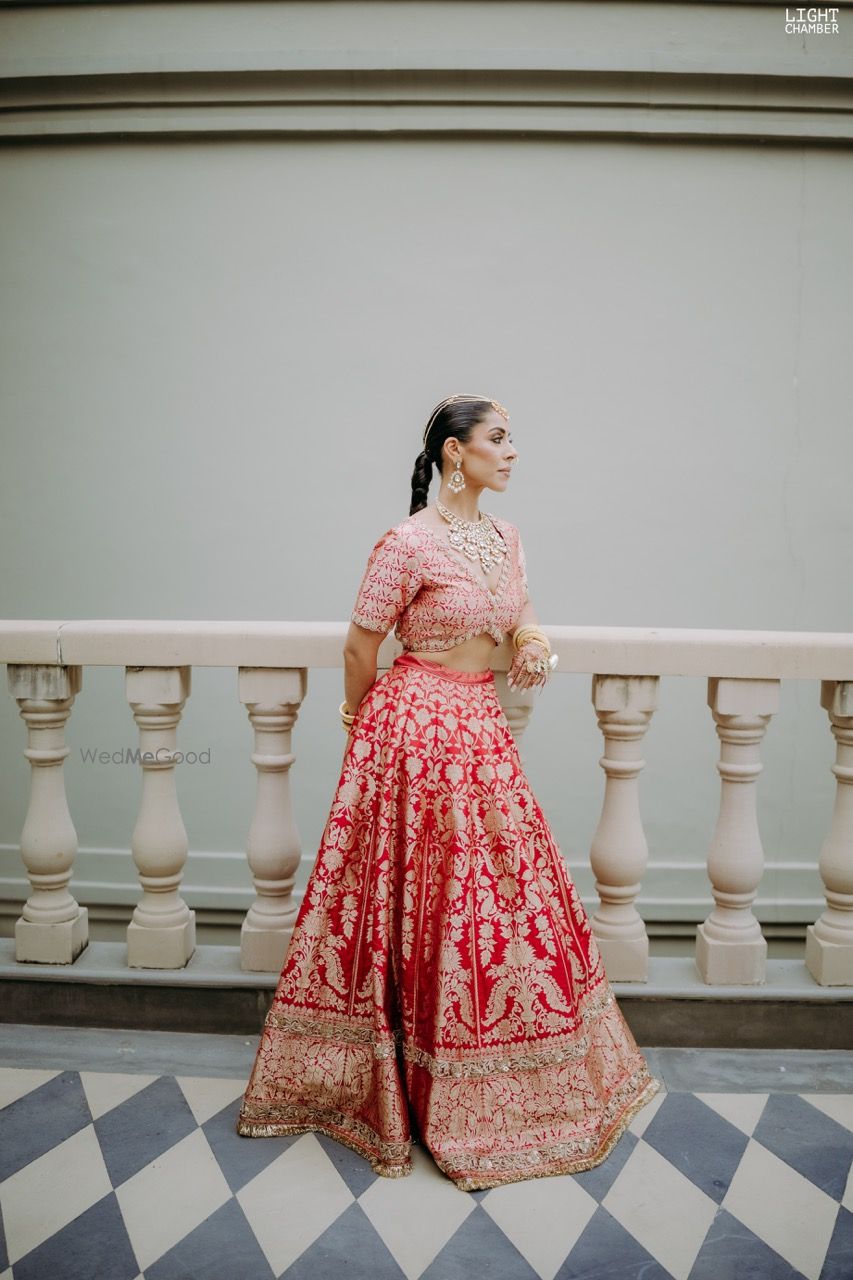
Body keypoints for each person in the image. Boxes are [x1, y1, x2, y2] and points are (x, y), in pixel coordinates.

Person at [236, 393, 661, 1191]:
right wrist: (362, 727)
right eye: (498, 440)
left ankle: (497, 1076)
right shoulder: (405, 543)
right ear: (453, 453)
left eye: (512, 439)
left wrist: (531, 637)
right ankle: (398, 1078)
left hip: (480, 730)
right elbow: (361, 644)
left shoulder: (505, 537)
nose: (512, 453)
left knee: (494, 897)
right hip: (412, 732)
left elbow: (517, 604)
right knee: (423, 901)